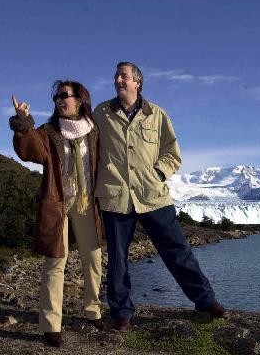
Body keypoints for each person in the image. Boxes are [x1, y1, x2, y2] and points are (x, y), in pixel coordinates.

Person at [93, 61, 228, 331]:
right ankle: (122, 313)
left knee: (177, 251)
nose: (118, 79)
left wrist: (157, 172)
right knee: (118, 258)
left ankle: (205, 300)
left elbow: (172, 152)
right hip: (115, 196)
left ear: (137, 82)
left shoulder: (156, 114)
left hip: (153, 195)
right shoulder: (101, 113)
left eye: (124, 76)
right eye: (117, 75)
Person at [9, 80, 104, 347]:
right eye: (56, 97)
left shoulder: (96, 130)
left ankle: (92, 310)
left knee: (93, 258)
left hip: (86, 202)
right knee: (55, 262)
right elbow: (30, 152)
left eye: (65, 95)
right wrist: (24, 122)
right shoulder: (48, 132)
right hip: (58, 203)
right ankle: (51, 325)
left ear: (80, 99)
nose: (59, 100)